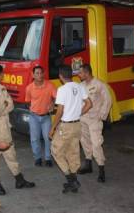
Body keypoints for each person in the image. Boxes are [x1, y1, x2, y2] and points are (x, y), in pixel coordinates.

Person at [0, 64, 35, 195]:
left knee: (11, 154)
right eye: (2, 74)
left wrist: (1, 107)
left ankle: (19, 180)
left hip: (5, 128)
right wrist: (3, 106)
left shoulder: (2, 88)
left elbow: (11, 105)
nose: (3, 76)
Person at [49, 65, 92, 193]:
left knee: (56, 151)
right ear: (71, 75)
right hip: (77, 125)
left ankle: (71, 180)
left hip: (66, 126)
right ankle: (73, 181)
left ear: (60, 76)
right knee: (73, 153)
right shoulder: (80, 87)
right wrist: (78, 113)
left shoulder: (62, 89)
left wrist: (53, 128)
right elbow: (89, 104)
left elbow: (60, 111)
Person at [77, 64, 112, 183]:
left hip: (94, 119)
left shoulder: (99, 85)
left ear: (87, 73)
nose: (78, 75)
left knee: (96, 144)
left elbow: (108, 100)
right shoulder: (80, 86)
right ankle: (88, 165)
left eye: (80, 73)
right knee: (85, 142)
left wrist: (102, 116)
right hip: (83, 118)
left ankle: (101, 170)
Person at [25, 66, 57, 167]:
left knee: (48, 138)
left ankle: (48, 158)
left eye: (40, 73)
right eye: (37, 73)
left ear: (43, 74)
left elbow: (57, 98)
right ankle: (37, 158)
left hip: (46, 117)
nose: (39, 75)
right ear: (33, 75)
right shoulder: (29, 88)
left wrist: (53, 103)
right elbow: (27, 102)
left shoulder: (50, 85)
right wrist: (33, 110)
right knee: (34, 139)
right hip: (33, 117)